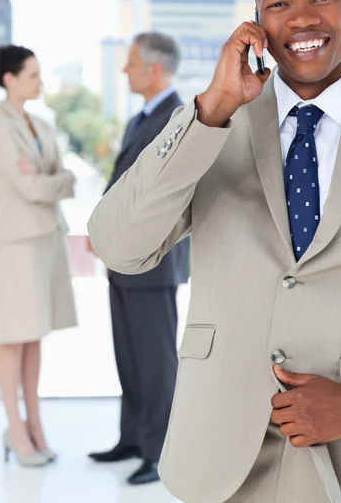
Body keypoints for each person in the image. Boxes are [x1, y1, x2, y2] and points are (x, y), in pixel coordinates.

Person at [87, 0, 341, 503]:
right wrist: (211, 110)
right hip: (219, 461)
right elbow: (116, 245)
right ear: (257, 21)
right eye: (278, 3)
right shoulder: (212, 124)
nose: (301, 19)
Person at [87, 32, 190, 486]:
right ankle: (133, 437)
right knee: (128, 356)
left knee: (155, 360)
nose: (124, 71)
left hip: (154, 260)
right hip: (124, 260)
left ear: (154, 69)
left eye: (130, 64)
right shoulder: (140, 119)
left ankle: (160, 450)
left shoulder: (179, 117)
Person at [0, 45, 77, 467]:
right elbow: (36, 187)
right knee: (13, 337)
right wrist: (57, 179)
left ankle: (35, 426)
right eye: (33, 75)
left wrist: (54, 179)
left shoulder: (40, 123)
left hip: (47, 240)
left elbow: (57, 177)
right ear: (10, 79)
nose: (41, 82)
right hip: (18, 245)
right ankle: (15, 430)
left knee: (35, 335)